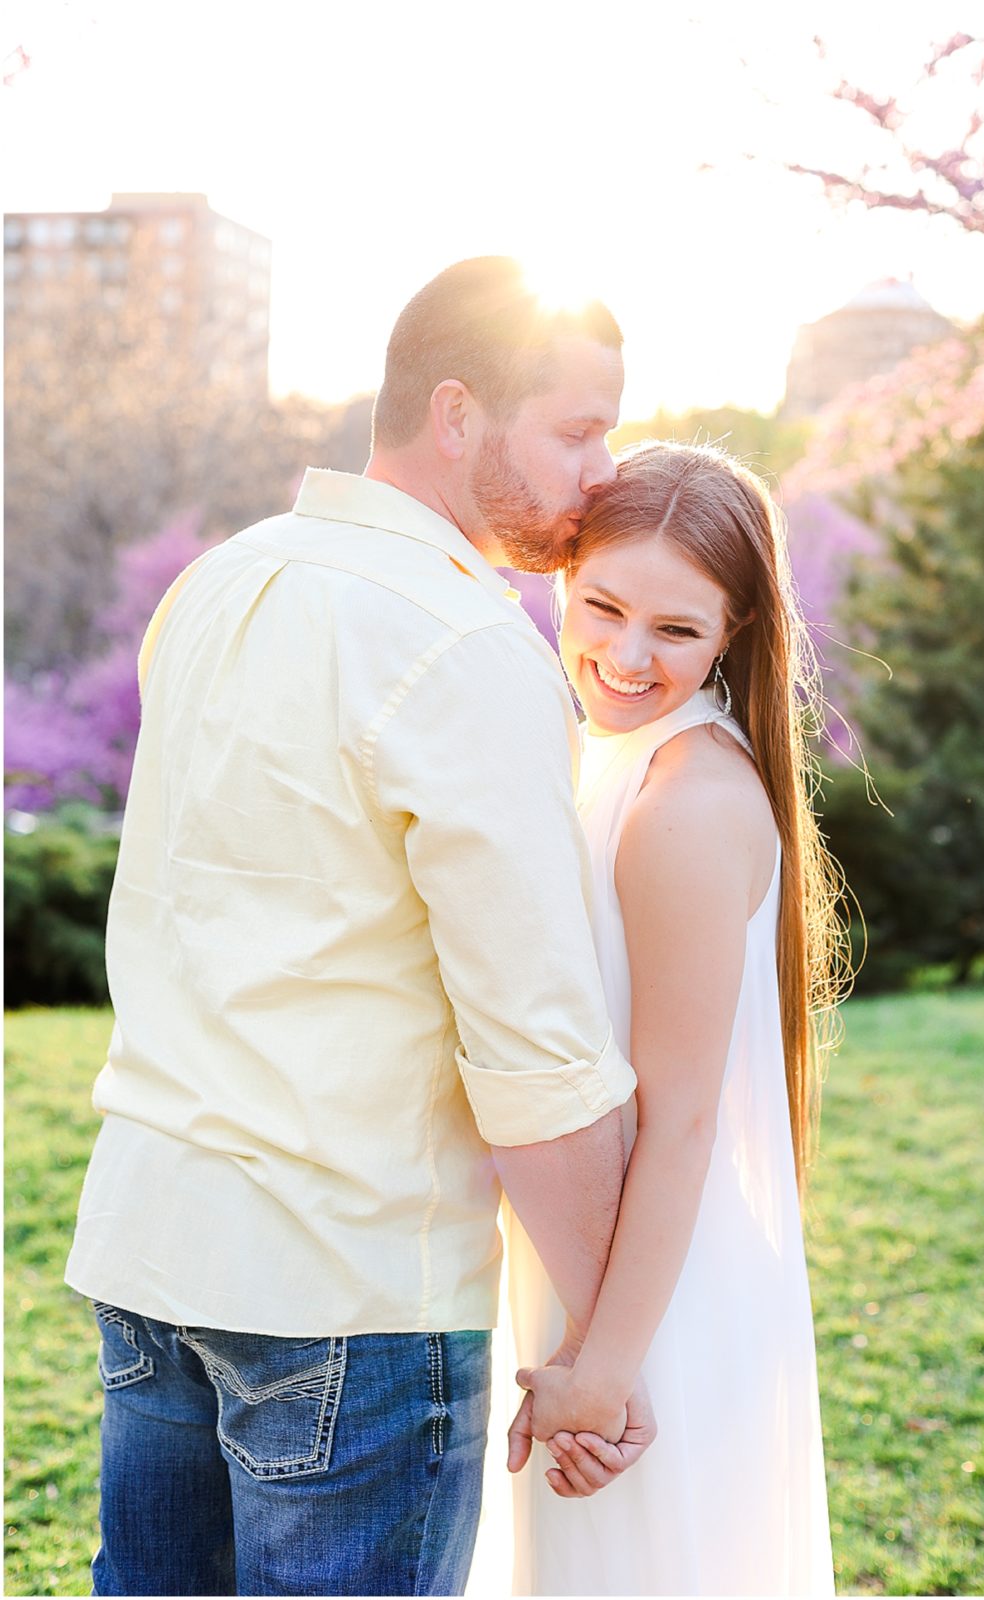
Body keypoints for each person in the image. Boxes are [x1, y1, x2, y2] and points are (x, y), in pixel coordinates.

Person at [63, 256, 655, 1599]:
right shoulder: (464, 643)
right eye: (574, 431)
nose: (600, 473)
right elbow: (533, 1057)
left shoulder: (216, 583)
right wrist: (606, 1351)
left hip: (154, 1248)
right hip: (349, 1289)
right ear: (458, 415)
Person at [502, 441, 848, 1596]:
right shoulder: (609, 760)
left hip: (654, 1298)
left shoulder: (686, 801)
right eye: (601, 605)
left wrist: (604, 1367)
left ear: (735, 634)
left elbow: (682, 1117)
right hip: (593, 1260)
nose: (625, 654)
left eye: (678, 630)